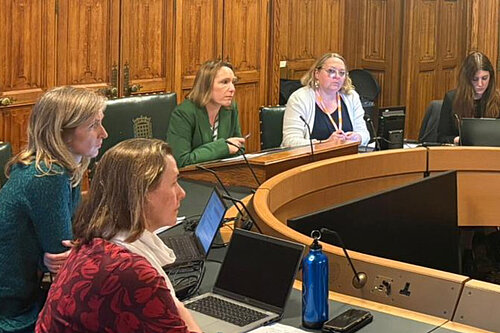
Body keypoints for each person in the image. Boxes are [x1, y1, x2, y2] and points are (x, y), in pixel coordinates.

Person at [35, 138, 201, 333]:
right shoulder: (131, 271)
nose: (182, 193)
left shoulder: (95, 241)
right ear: (142, 192)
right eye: (173, 183)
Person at [0, 86, 108, 332]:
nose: (104, 133)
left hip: (28, 293)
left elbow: (72, 241)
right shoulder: (47, 175)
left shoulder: (64, 167)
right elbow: (67, 267)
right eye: (93, 125)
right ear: (62, 133)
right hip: (15, 311)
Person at [167, 60, 246, 168]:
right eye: (224, 82)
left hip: (223, 174)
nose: (232, 89)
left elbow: (239, 148)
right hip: (191, 179)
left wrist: (200, 153)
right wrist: (223, 148)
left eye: (233, 82)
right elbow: (181, 161)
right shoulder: (184, 113)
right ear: (206, 86)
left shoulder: (230, 108)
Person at [282, 53, 370, 148]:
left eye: (342, 73)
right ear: (317, 73)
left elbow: (365, 134)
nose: (337, 76)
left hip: (345, 157)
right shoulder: (300, 98)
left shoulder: (351, 96)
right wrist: (324, 144)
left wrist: (358, 138)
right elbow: (290, 141)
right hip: (312, 160)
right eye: (331, 71)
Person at [437, 51, 500, 144]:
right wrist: (458, 140)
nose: (480, 84)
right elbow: (441, 138)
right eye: (475, 79)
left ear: (491, 77)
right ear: (467, 79)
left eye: (484, 78)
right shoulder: (452, 99)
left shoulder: (498, 100)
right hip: (461, 153)